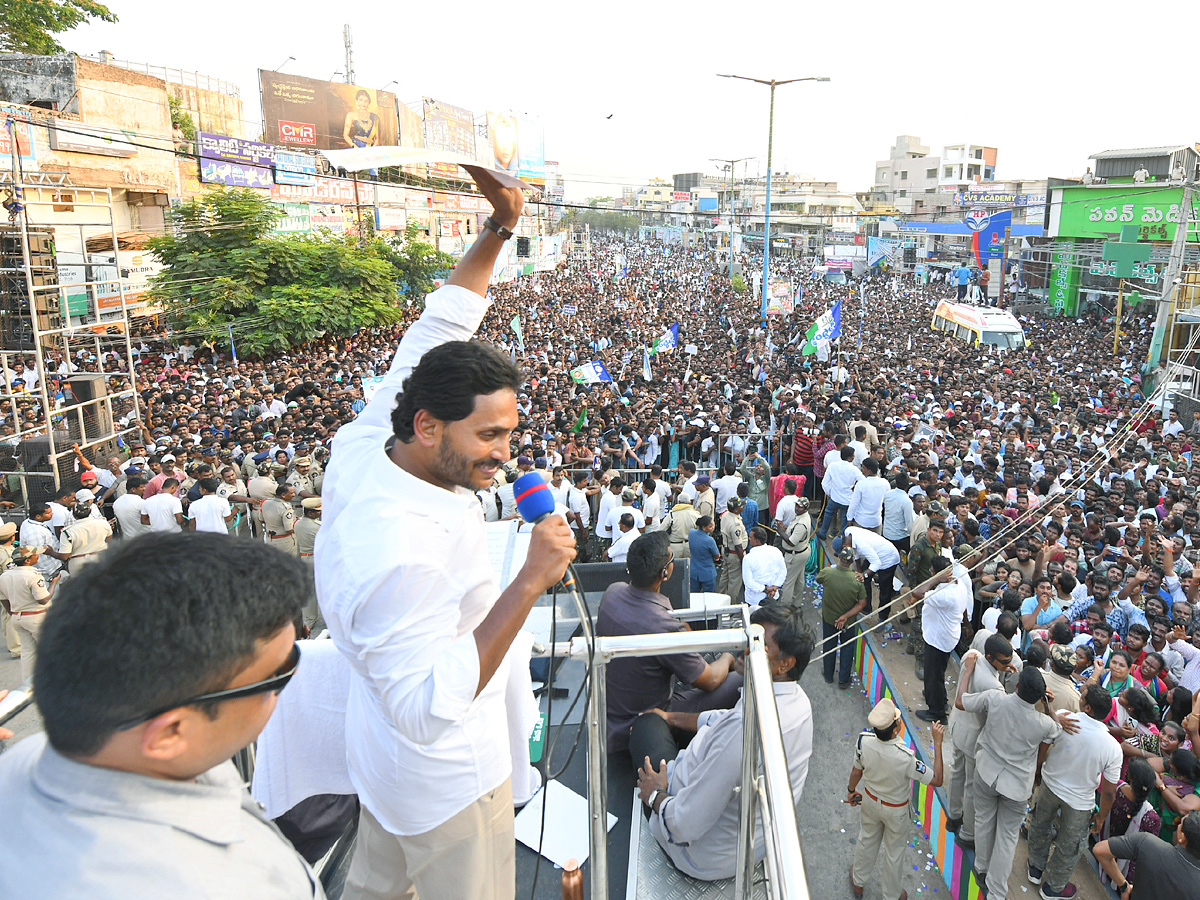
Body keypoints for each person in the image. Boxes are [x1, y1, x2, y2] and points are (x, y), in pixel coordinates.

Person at [316, 171, 577, 900]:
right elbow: (429, 709)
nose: (505, 453)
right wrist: (530, 581)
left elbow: (442, 324)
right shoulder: (400, 549)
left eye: (510, 432)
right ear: (429, 426)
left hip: (384, 776)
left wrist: (501, 226)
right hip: (448, 788)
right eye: (489, 436)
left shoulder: (379, 434)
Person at [0, 532, 320, 899]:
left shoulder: (28, 758)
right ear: (171, 734)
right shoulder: (227, 884)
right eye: (279, 672)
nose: (295, 674)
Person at [633, 604, 814, 881]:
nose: (745, 647)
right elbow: (721, 718)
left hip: (698, 854)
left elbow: (685, 824)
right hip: (747, 842)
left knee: (644, 725)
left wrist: (655, 794)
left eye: (758, 644)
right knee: (666, 720)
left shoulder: (742, 733)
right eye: (747, 637)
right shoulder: (799, 702)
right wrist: (671, 717)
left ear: (784, 664)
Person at [596, 532, 739, 758]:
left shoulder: (612, 592)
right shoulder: (665, 627)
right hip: (647, 721)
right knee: (736, 680)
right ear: (665, 572)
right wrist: (729, 658)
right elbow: (710, 680)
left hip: (609, 713)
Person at [959, 667, 1071, 900]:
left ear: (1017, 686)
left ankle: (981, 867)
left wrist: (968, 671)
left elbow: (963, 702)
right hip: (1017, 786)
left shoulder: (995, 698)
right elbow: (1057, 730)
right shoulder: (1044, 723)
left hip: (986, 772)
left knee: (984, 819)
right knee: (1007, 837)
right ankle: (997, 891)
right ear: (1040, 696)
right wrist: (1048, 706)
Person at [1026, 683, 1122, 900]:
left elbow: (1044, 743)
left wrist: (1038, 769)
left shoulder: (1064, 717)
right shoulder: (1112, 747)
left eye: (1083, 696)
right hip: (1080, 802)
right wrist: (1101, 817)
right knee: (1069, 845)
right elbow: (1108, 791)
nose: (1080, 696)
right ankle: (1053, 887)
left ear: (1087, 708)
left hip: (1050, 785)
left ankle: (1035, 867)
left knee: (1041, 824)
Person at [848, 699, 945, 900]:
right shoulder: (906, 758)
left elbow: (856, 772)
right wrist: (937, 742)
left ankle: (858, 881)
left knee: (866, 840)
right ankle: (891, 895)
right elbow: (937, 779)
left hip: (871, 801)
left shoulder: (863, 741)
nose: (900, 722)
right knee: (894, 854)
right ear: (894, 731)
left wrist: (850, 790)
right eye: (898, 720)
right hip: (896, 811)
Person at [946, 637, 1015, 847]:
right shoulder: (993, 687)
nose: (1008, 665)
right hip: (973, 738)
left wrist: (1003, 669)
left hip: (958, 726)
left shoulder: (970, 657)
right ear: (991, 658)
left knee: (956, 773)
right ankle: (967, 831)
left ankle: (953, 815)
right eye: (1005, 662)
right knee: (970, 786)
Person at [1093, 810, 1200, 900]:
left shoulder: (1147, 843)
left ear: (1183, 838)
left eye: (1180, 824)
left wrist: (1124, 886)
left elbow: (1100, 850)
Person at [915, 555, 970, 723]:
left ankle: (937, 713)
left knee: (933, 675)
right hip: (944, 636)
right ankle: (939, 699)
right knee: (937, 673)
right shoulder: (958, 583)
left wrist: (935, 579)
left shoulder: (944, 594)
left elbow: (917, 592)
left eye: (932, 572)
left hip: (939, 640)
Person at [0, 545, 59, 682]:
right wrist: (53, 584)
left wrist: (14, 613)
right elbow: (43, 599)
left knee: (27, 652)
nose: (37, 556)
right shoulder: (33, 576)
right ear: (27, 560)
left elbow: (3, 599)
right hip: (36, 617)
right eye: (34, 555)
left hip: (18, 617)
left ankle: (28, 684)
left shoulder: (4, 576)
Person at [817, 546, 866, 687]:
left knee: (829, 644)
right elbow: (862, 603)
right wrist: (845, 616)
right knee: (847, 647)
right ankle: (843, 680)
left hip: (829, 618)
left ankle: (828, 674)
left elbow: (818, 578)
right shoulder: (857, 580)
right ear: (851, 562)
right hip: (847, 622)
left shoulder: (827, 573)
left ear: (839, 557)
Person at [779, 495, 813, 609]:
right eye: (797, 505)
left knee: (788, 583)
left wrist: (780, 531)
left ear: (806, 509)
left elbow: (791, 542)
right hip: (801, 551)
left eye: (800, 507)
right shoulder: (801, 516)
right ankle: (796, 604)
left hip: (795, 555)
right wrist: (785, 530)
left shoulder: (801, 524)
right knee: (799, 579)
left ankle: (784, 609)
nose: (797, 508)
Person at [742, 525, 787, 607]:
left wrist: (766, 589)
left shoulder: (748, 558)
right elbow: (783, 572)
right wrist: (775, 588)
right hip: (773, 597)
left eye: (750, 537)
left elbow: (748, 582)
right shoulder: (776, 551)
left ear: (756, 541)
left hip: (755, 600)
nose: (749, 539)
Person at [717, 497, 747, 601]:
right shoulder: (735, 524)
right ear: (735, 510)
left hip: (726, 549)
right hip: (735, 554)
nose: (743, 506)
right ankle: (731, 606)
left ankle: (720, 599)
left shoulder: (725, 515)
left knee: (725, 575)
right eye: (740, 506)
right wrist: (743, 561)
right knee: (735, 581)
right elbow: (738, 545)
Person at [688, 515, 720, 593]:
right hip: (707, 573)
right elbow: (717, 555)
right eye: (710, 526)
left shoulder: (691, 533)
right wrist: (716, 558)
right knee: (709, 596)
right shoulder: (709, 540)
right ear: (703, 527)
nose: (712, 527)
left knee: (694, 595)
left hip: (694, 571)